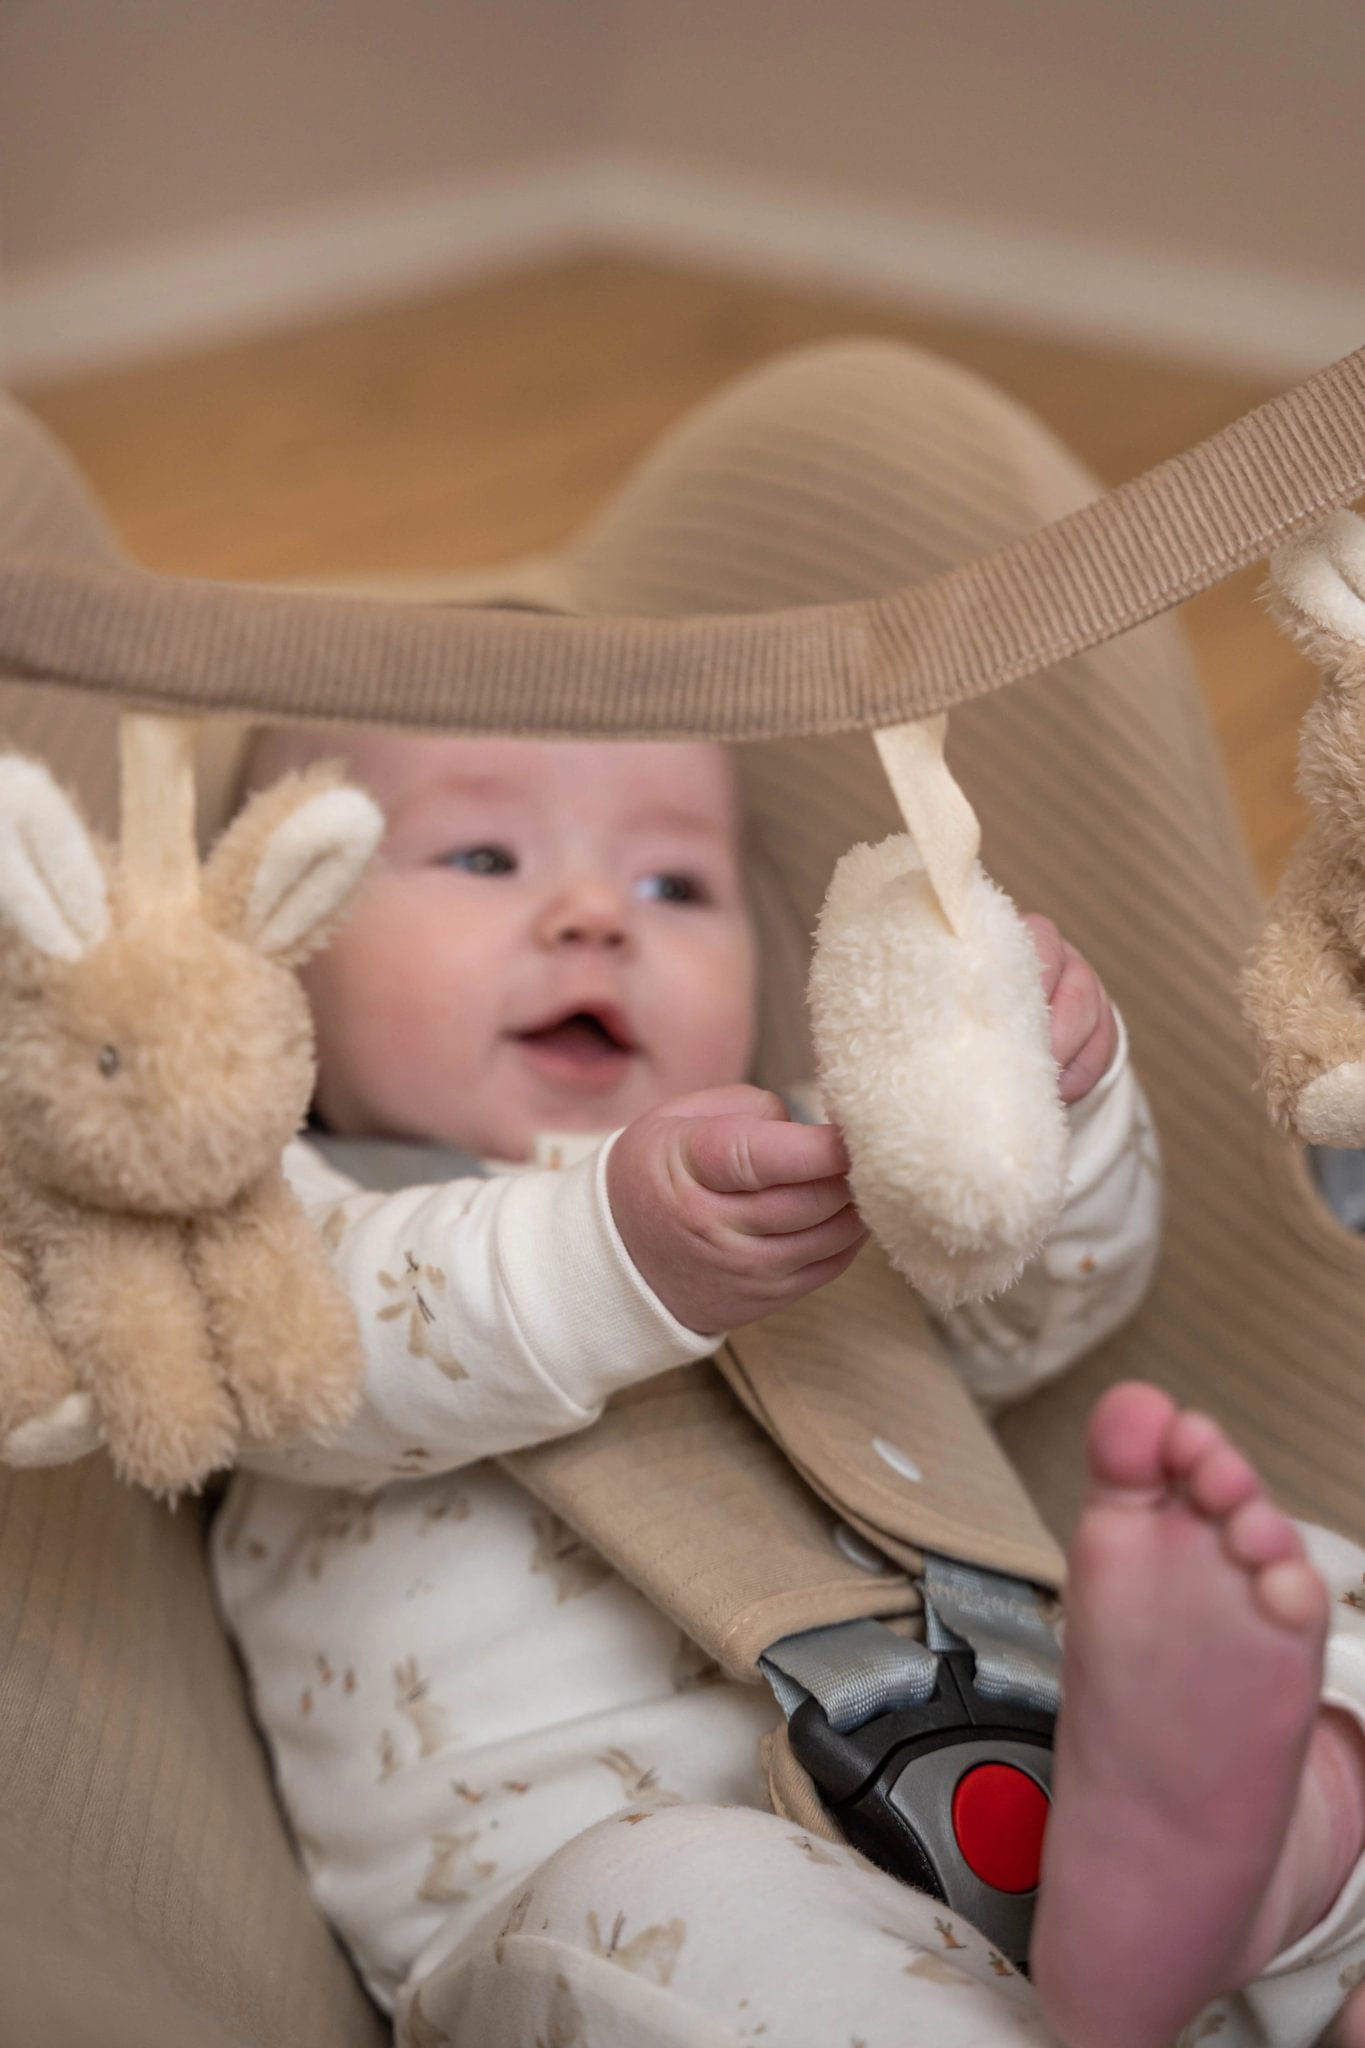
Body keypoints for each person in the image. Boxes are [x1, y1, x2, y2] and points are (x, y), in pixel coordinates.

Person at [208, 724, 1365, 2048]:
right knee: (661, 1894)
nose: (595, 917)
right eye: (483, 855)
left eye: (672, 888)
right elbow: (305, 1376)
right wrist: (608, 1255)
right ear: (271, 946)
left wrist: (1033, 1115)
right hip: (680, 1930)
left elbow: (1040, 1308)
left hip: (1066, 1774)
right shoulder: (271, 1222)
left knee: (1299, 1584)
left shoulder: (821, 1154)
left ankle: (1283, 1857)